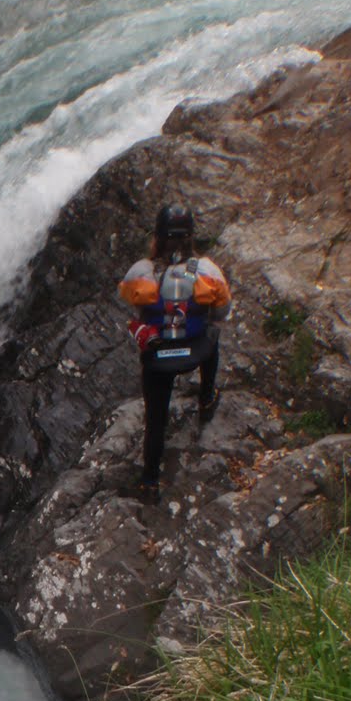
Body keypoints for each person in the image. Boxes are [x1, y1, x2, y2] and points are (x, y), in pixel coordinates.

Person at [117, 203, 231, 501]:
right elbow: (223, 310)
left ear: (157, 236)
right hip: (196, 350)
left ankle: (150, 481)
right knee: (213, 331)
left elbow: (133, 302)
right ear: (191, 236)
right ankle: (206, 397)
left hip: (159, 359)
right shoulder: (207, 270)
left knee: (156, 420)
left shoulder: (141, 272)